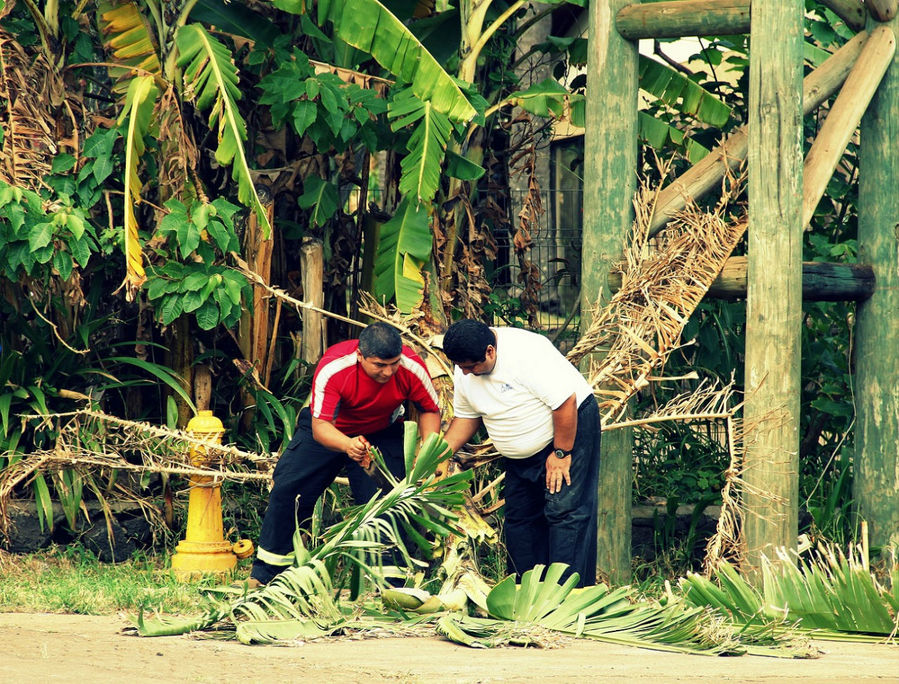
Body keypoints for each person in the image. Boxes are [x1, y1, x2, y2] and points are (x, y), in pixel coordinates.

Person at [249, 322, 441, 586]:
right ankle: (266, 574)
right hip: (330, 428)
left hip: (382, 430)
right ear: (360, 356)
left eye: (393, 363)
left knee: (387, 499)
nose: (388, 372)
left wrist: (428, 451)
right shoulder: (335, 367)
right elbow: (320, 427)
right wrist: (348, 445)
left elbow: (429, 408)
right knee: (289, 489)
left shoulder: (411, 367)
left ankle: (389, 582)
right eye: (379, 365)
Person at [441, 319, 601, 587]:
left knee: (564, 511)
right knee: (520, 517)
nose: (466, 373)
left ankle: (567, 596)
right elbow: (467, 417)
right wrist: (440, 454)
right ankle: (526, 592)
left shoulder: (528, 354)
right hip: (519, 453)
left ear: (490, 351)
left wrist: (561, 454)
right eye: (461, 367)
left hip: (567, 430)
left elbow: (565, 403)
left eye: (471, 367)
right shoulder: (465, 369)